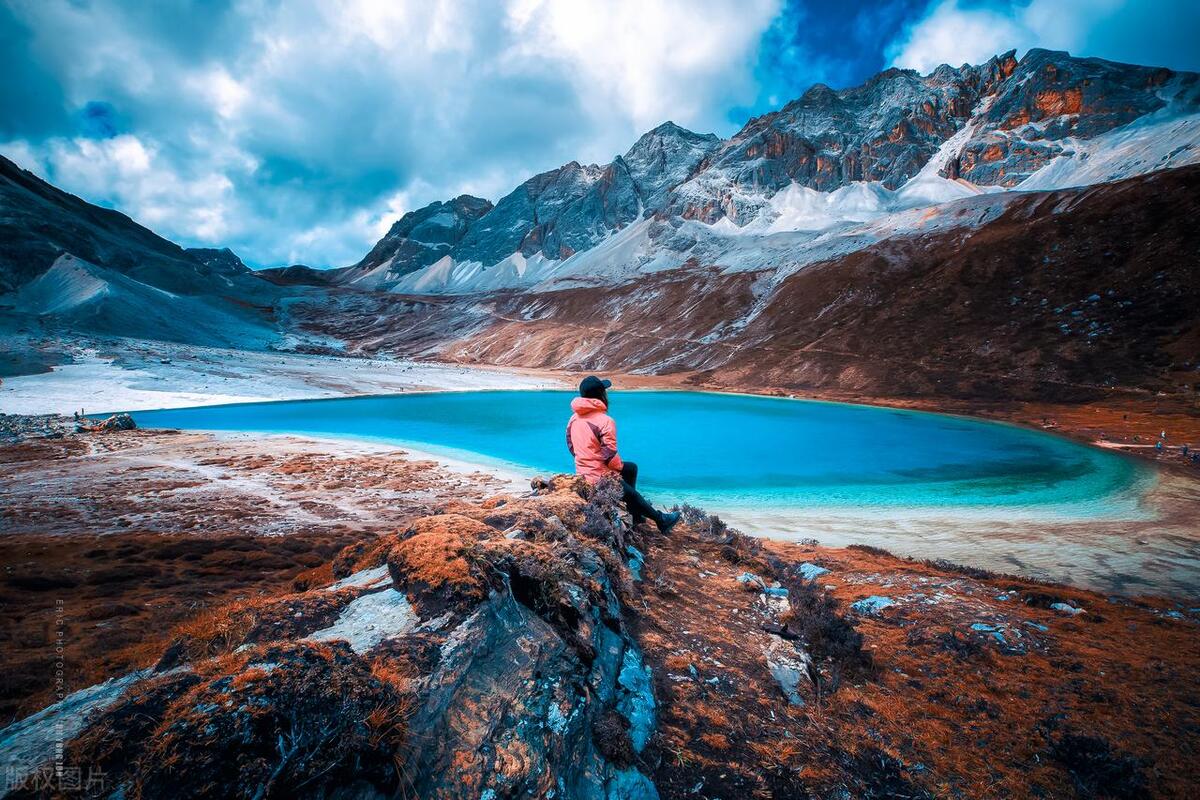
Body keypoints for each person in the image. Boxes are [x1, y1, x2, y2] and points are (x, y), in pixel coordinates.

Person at [566, 375, 680, 533]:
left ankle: (635, 514)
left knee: (631, 468)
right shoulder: (605, 421)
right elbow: (609, 456)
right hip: (598, 477)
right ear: (601, 395)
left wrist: (587, 460)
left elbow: (571, 446)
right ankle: (661, 520)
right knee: (626, 487)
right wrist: (615, 468)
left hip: (582, 471)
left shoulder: (573, 418)